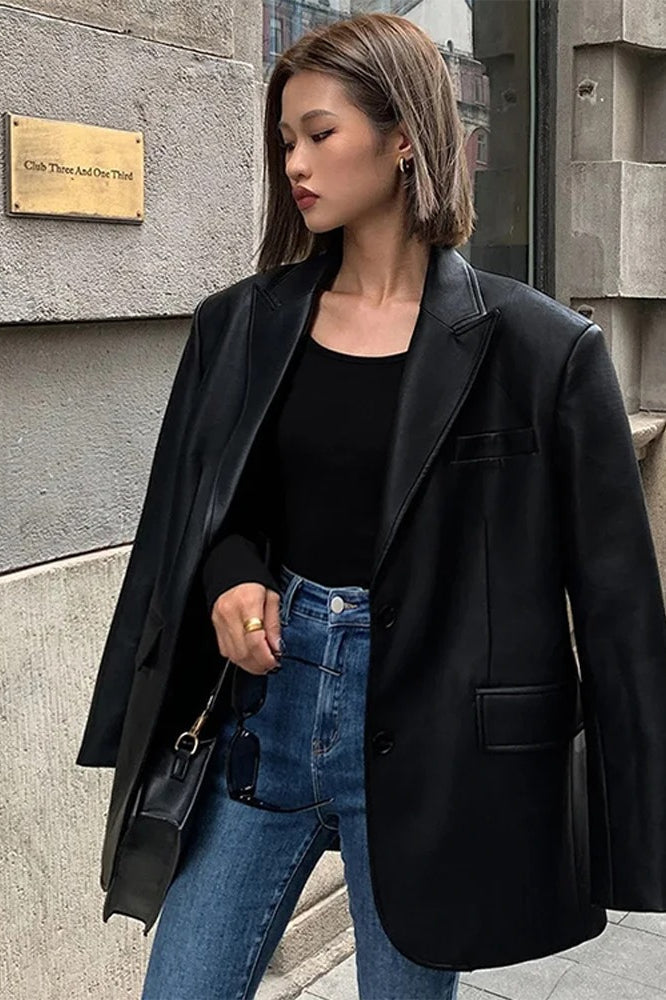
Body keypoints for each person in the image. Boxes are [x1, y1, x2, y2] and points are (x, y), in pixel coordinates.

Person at [76, 11, 666, 1000]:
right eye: (286, 140)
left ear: (402, 140)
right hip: (267, 717)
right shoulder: (243, 325)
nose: (295, 164)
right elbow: (210, 513)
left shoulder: (542, 350)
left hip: (439, 744)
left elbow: (618, 604)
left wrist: (637, 829)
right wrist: (232, 580)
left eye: (319, 133)